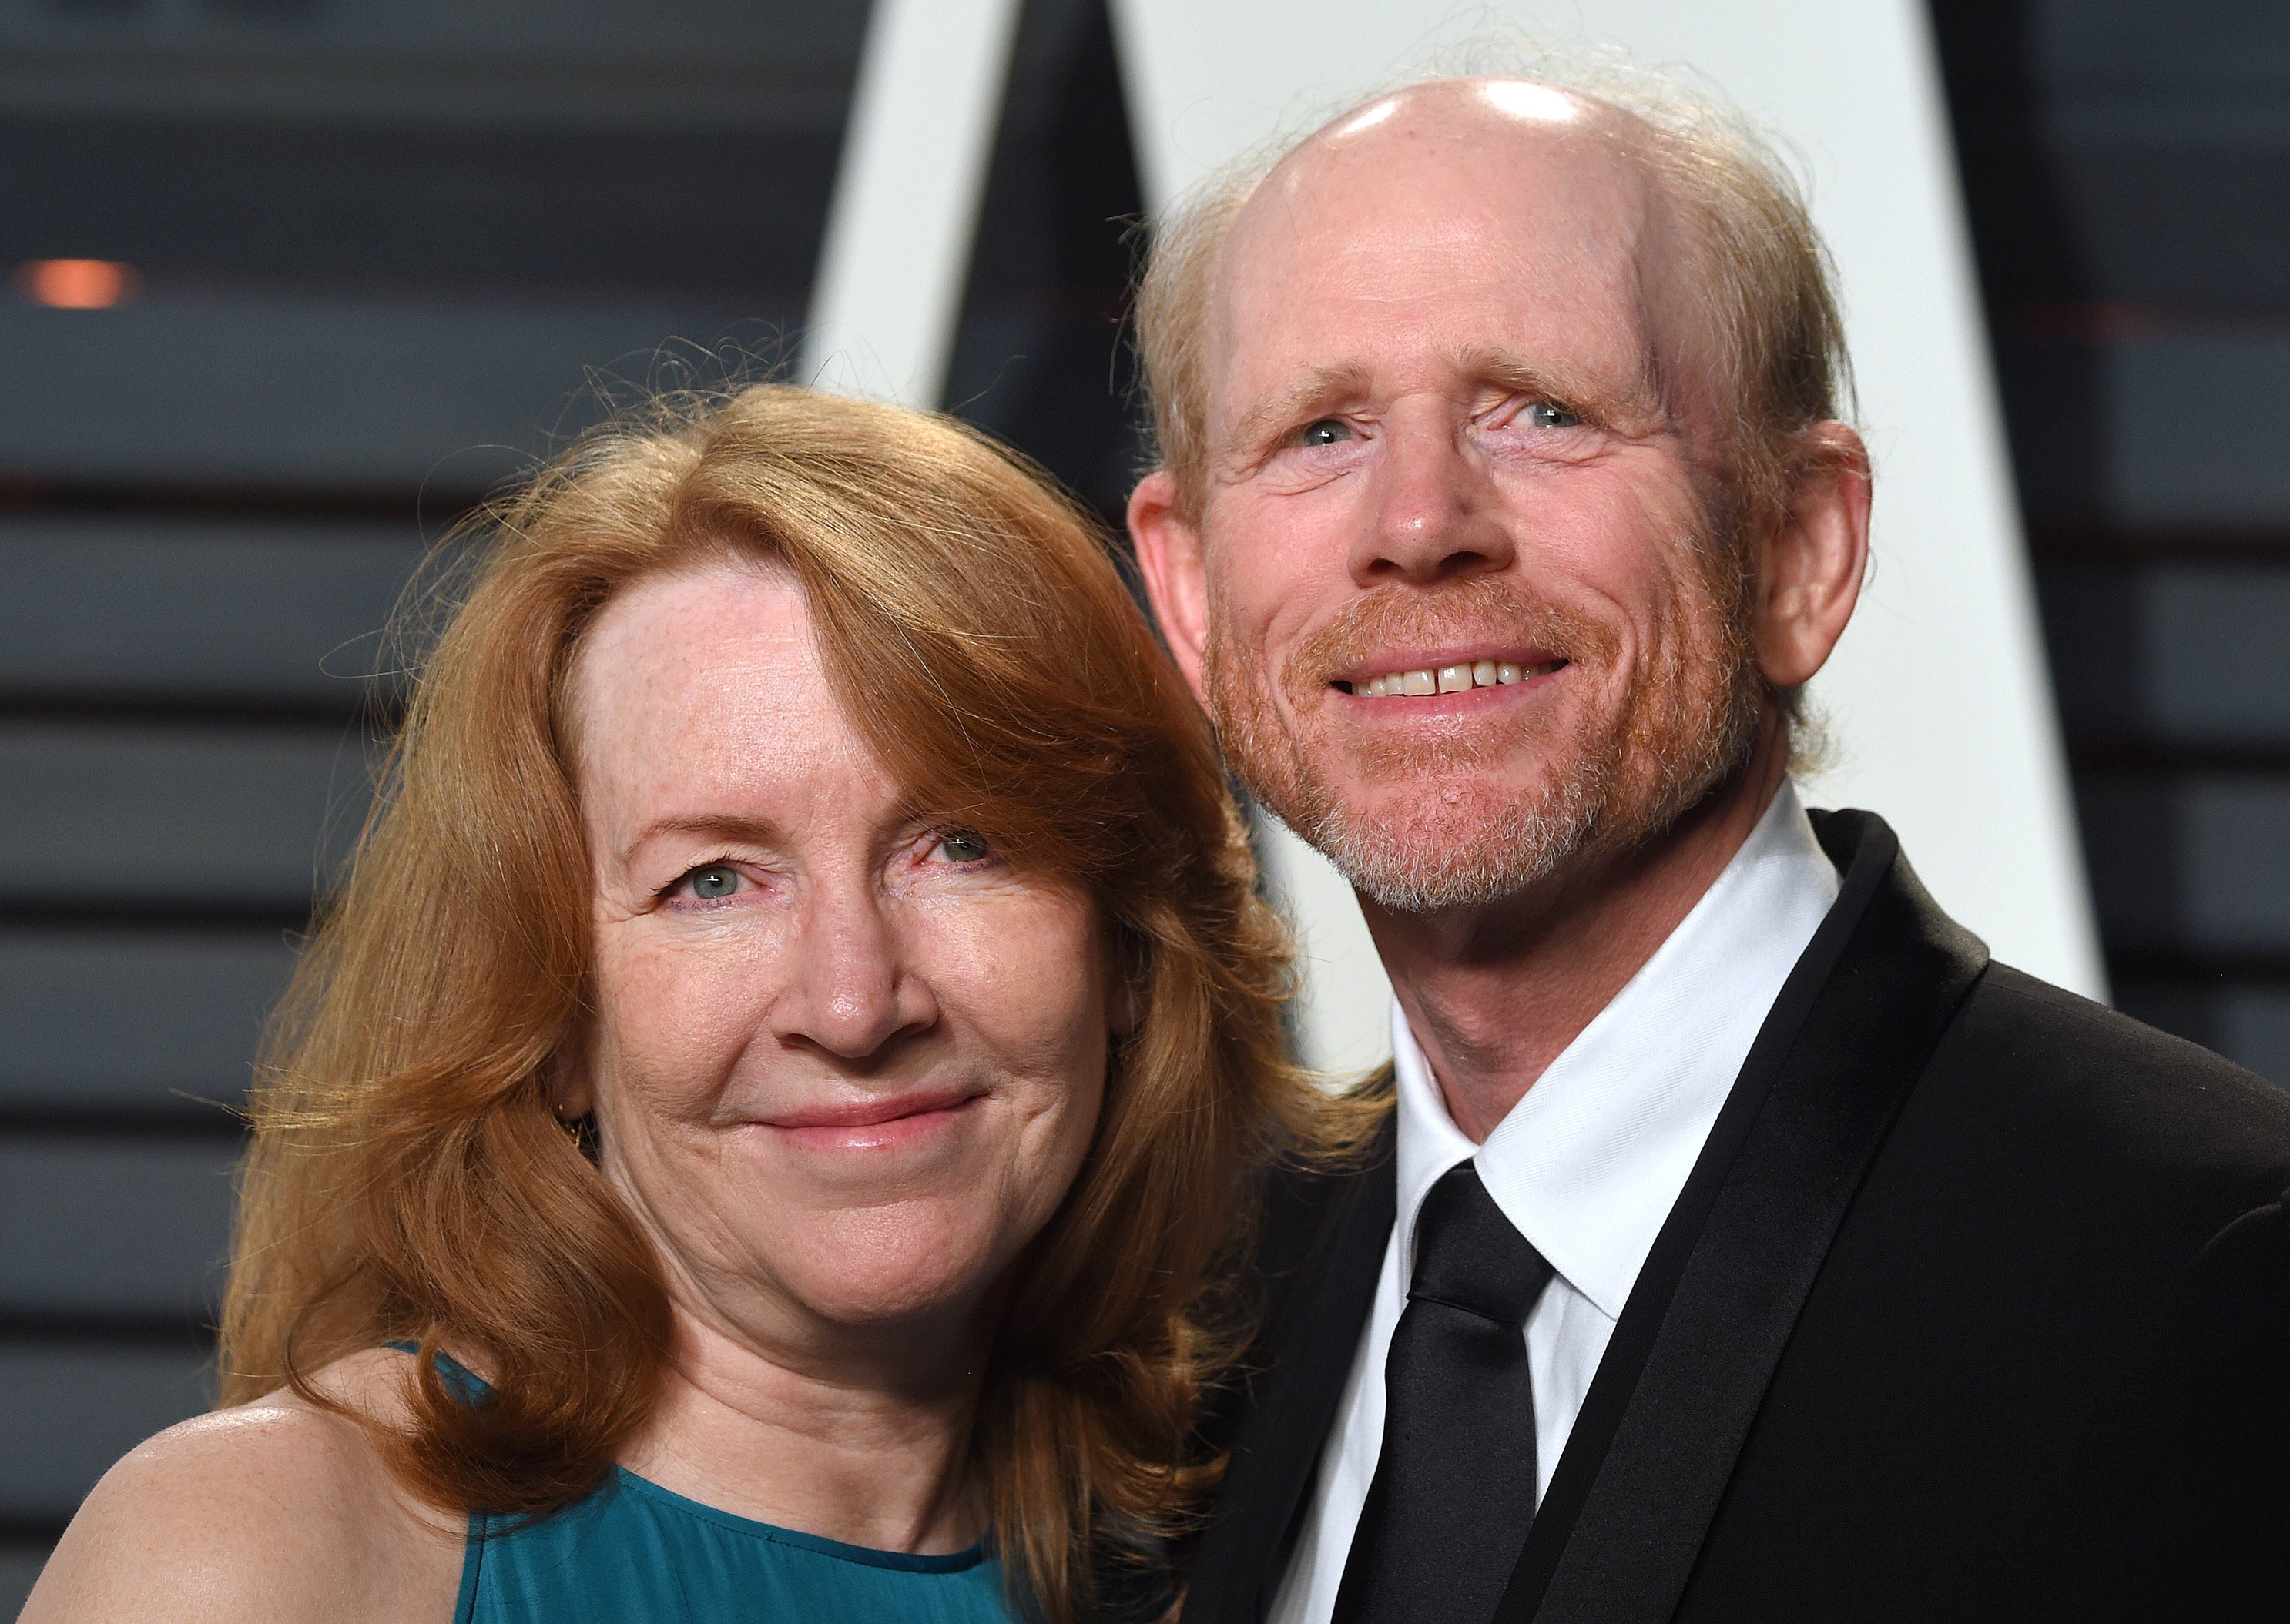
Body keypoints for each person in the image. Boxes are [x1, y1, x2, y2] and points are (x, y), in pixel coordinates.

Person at [1124, 65, 2290, 1624]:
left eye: (1545, 410)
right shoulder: (1183, 1306)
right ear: (1196, 597)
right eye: (1321, 428)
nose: (1418, 520)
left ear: (1798, 547)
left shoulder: (2213, 1283)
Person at [25, 385, 1366, 1624]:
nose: (853, 1001)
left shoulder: (1250, 1550)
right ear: (555, 1021)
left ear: (1129, 949)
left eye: (962, 844)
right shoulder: (265, 1553)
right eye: (712, 880)